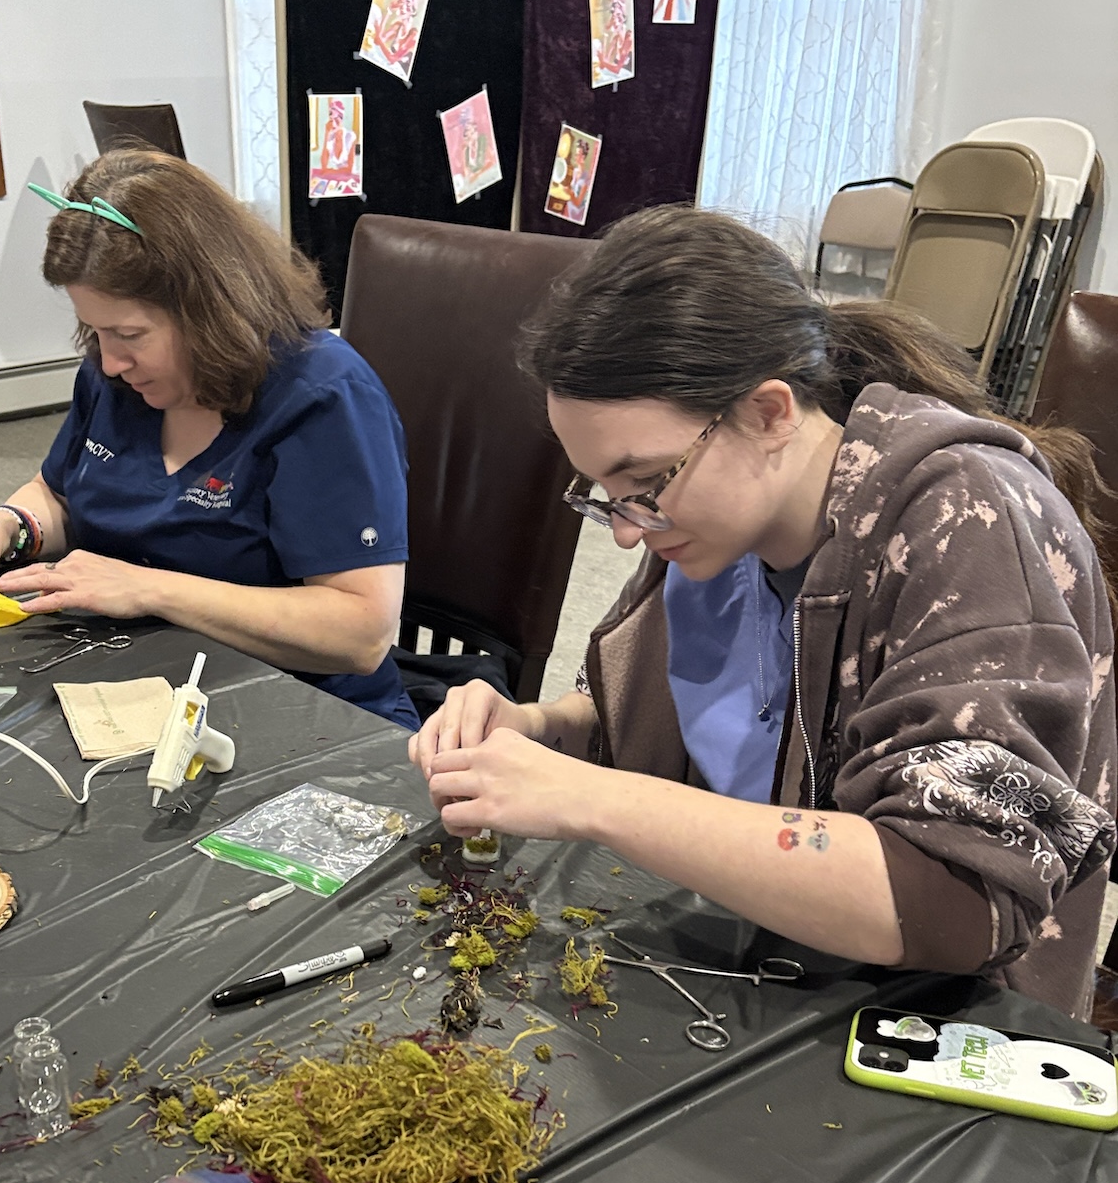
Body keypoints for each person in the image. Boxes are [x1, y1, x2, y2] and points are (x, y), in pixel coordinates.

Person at [410, 206, 1117, 1018]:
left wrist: (589, 799)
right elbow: (667, 728)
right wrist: (539, 732)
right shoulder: (718, 529)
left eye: (644, 484)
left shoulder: (967, 523)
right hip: (760, 958)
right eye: (605, 496)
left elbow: (952, 900)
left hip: (934, 1025)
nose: (627, 532)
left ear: (770, 411)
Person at [0, 149, 416, 730]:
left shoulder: (322, 397)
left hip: (302, 712)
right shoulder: (118, 376)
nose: (110, 361)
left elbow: (360, 633)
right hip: (143, 683)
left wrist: (147, 590)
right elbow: (62, 491)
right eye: (95, 330)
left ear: (210, 308)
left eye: (130, 333)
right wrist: (10, 524)